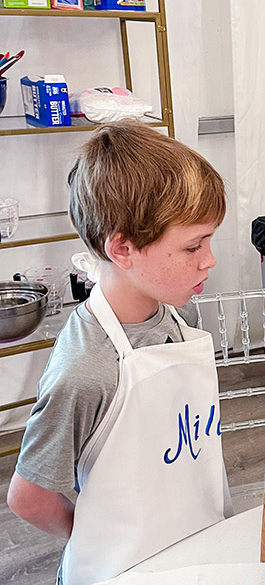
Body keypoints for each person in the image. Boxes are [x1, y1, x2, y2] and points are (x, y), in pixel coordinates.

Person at [6, 122, 231, 584]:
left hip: (191, 543)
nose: (209, 260)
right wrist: (96, 538)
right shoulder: (85, 370)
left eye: (209, 241)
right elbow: (28, 497)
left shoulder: (171, 317)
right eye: (193, 246)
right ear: (123, 249)